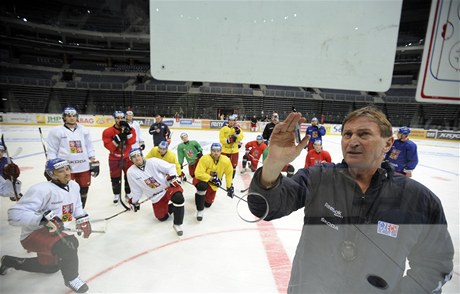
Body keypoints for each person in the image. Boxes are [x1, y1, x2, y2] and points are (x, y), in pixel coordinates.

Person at [247, 106, 454, 293]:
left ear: (388, 143)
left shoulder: (419, 199)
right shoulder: (318, 178)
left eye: (364, 134)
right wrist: (274, 163)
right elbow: (265, 207)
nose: (353, 141)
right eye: (347, 134)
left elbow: (435, 265)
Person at [1, 158, 92, 293]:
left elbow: (77, 206)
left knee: (50, 267)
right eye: (61, 171)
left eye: (67, 169)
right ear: (51, 174)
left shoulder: (74, 186)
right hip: (33, 234)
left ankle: (10, 261)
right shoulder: (41, 190)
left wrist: (82, 219)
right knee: (69, 243)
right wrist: (43, 220)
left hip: (54, 233)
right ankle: (72, 279)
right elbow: (14, 215)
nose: (67, 173)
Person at [47, 107, 99, 208]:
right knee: (65, 189)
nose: (72, 118)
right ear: (64, 117)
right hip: (64, 167)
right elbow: (52, 149)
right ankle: (67, 209)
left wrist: (92, 160)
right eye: (69, 116)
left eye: (74, 116)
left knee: (84, 188)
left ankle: (80, 208)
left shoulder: (84, 130)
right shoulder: (56, 131)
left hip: (83, 166)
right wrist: (50, 162)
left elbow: (89, 146)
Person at [126, 148, 185, 236]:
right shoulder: (131, 172)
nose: (137, 158)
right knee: (161, 217)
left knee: (178, 198)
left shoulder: (153, 161)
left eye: (138, 155)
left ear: (142, 155)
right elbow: (136, 190)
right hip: (156, 196)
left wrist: (172, 176)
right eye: (133, 157)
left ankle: (177, 224)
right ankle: (174, 207)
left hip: (167, 188)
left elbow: (170, 167)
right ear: (131, 160)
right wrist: (134, 202)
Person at [102, 111, 137, 204]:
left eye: (122, 118)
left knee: (128, 175)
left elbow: (132, 141)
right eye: (117, 118)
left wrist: (128, 133)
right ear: (114, 119)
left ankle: (128, 192)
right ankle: (116, 193)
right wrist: (116, 139)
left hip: (127, 157)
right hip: (114, 158)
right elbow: (109, 146)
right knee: (115, 177)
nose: (120, 120)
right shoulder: (108, 131)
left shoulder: (131, 129)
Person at [194, 143, 234, 221]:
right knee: (201, 187)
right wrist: (211, 178)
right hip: (201, 180)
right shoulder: (204, 158)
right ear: (210, 151)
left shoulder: (226, 160)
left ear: (221, 151)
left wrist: (229, 187)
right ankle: (200, 210)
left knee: (207, 204)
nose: (216, 153)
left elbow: (229, 173)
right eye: (213, 151)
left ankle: (203, 197)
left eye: (218, 151)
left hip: (213, 185)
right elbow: (198, 173)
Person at [219, 114, 244, 178]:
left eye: (233, 120)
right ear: (228, 121)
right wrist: (227, 141)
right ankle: (220, 177)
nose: (231, 122)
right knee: (222, 165)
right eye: (230, 120)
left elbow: (241, 137)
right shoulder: (223, 129)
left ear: (235, 121)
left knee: (233, 166)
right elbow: (221, 139)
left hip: (234, 151)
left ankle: (231, 179)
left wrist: (237, 136)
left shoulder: (237, 128)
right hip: (225, 150)